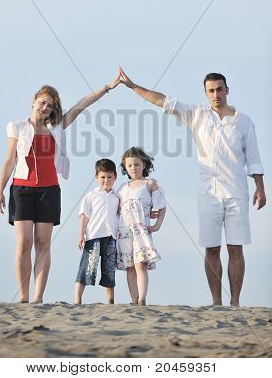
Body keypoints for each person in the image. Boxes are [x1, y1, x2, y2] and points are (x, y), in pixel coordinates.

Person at [119, 67, 266, 307]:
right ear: (206, 93)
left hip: (237, 192)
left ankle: (235, 302)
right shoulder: (197, 114)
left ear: (227, 90)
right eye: (211, 91)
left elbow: (254, 157)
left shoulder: (244, 122)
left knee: (236, 248)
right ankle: (216, 302)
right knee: (211, 248)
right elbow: (163, 101)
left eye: (220, 89)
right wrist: (133, 86)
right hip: (208, 192)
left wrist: (260, 187)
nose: (216, 94)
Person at [0, 75, 121, 303]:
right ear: (33, 101)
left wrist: (107, 87)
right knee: (24, 243)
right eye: (42, 102)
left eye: (50, 105)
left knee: (43, 244)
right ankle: (23, 296)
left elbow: (82, 104)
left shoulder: (57, 127)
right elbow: (9, 160)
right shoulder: (17, 127)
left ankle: (37, 297)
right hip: (21, 189)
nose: (45, 107)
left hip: (49, 190)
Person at [117, 147, 166, 306]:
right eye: (129, 165)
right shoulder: (122, 188)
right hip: (124, 232)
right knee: (130, 266)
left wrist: (157, 225)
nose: (133, 168)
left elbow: (161, 206)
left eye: (137, 164)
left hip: (141, 231)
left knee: (140, 264)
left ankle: (142, 299)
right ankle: (133, 299)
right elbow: (117, 211)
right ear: (125, 167)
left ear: (144, 165)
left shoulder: (150, 184)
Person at [74, 159, 119, 305]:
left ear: (115, 177)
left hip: (111, 237)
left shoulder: (117, 197)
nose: (106, 180)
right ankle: (77, 298)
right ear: (96, 177)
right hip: (93, 237)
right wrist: (81, 235)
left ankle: (110, 300)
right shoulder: (91, 196)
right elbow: (84, 216)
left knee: (109, 270)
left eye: (109, 177)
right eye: (102, 177)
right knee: (87, 268)